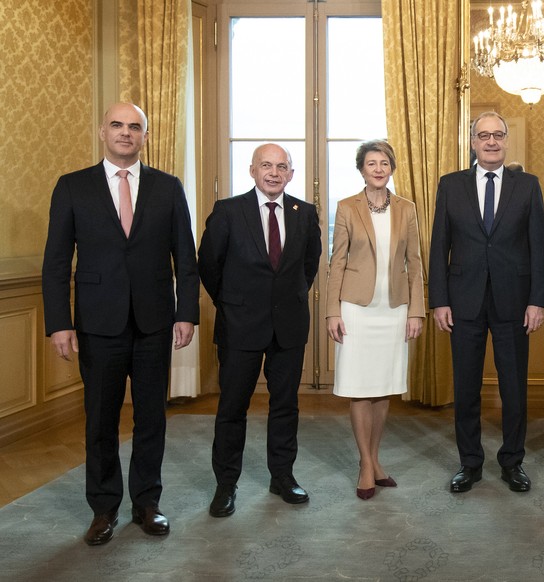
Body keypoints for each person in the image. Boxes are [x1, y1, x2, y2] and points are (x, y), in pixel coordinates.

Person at [41, 103, 200, 545]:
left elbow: (185, 259)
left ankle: (147, 504)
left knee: (152, 419)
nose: (126, 133)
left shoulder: (168, 188)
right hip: (96, 322)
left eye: (135, 127)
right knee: (100, 421)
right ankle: (103, 509)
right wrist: (59, 322)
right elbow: (56, 262)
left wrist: (186, 312)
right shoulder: (73, 187)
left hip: (153, 322)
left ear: (145, 136)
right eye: (117, 125)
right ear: (102, 132)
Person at [198, 143, 322, 518]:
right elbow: (208, 264)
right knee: (232, 407)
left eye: (281, 166)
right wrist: (232, 302)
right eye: (266, 165)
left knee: (285, 405)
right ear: (252, 170)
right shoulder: (228, 211)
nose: (273, 172)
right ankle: (226, 484)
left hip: (289, 325)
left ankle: (282, 476)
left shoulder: (305, 213)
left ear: (291, 174)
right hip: (239, 325)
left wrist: (288, 298)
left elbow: (309, 266)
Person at [429, 111, 544, 493]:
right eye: (484, 135)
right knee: (465, 387)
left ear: (506, 139)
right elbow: (438, 246)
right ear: (472, 142)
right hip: (462, 301)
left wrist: (537, 301)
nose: (492, 142)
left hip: (515, 301)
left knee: (514, 386)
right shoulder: (450, 185)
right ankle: (470, 463)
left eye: (498, 135)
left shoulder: (527, 186)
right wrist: (439, 300)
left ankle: (513, 462)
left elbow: (538, 248)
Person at [326, 140, 425, 500]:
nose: (378, 168)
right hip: (356, 309)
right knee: (359, 387)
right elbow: (337, 262)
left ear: (392, 168)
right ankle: (366, 464)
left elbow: (414, 263)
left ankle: (376, 458)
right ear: (362, 169)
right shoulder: (347, 208)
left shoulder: (407, 209)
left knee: (383, 387)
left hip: (394, 308)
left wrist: (416, 310)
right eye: (371, 163)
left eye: (384, 162)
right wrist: (332, 311)